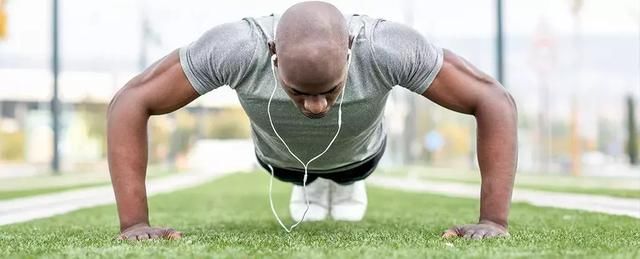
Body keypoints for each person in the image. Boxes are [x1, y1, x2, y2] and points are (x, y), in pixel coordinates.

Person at [107, 1, 517, 241]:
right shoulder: (236, 47)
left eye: (329, 90)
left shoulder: (386, 47)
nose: (316, 107)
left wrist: (492, 221)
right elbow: (130, 101)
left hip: (361, 156)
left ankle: (342, 186)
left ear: (351, 51)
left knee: (345, 177)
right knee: (302, 179)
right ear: (272, 53)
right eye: (299, 92)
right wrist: (136, 223)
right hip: (280, 163)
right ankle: (311, 187)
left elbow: (493, 99)